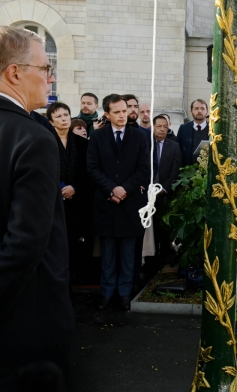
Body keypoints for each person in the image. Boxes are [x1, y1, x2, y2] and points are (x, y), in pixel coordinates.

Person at [0, 25, 74, 386]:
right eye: (45, 68)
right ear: (14, 73)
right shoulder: (34, 137)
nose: (51, 77)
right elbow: (25, 242)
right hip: (25, 321)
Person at [87, 94, 150, 311]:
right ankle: (106, 294)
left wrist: (124, 189)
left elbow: (144, 169)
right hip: (106, 203)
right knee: (108, 254)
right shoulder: (97, 137)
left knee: (128, 254)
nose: (123, 115)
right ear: (107, 114)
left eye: (124, 111)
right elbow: (92, 168)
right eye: (117, 112)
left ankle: (125, 294)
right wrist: (111, 189)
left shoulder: (139, 137)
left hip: (130, 204)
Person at [46, 102, 92, 284]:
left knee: (74, 241)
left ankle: (74, 277)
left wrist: (75, 187)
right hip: (53, 201)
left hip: (77, 200)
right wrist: (58, 189)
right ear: (51, 121)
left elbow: (88, 171)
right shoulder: (45, 141)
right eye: (58, 116)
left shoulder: (82, 143)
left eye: (66, 115)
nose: (64, 119)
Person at [152, 115, 181, 257]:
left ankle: (164, 258)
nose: (162, 129)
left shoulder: (174, 146)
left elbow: (175, 172)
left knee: (164, 231)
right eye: (159, 126)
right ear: (153, 127)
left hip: (165, 195)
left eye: (165, 127)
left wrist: (163, 189)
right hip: (146, 195)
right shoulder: (145, 144)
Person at [177, 99, 209, 167]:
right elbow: (177, 151)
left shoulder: (213, 129)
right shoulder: (183, 128)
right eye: (196, 108)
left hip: (208, 172)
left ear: (207, 112)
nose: (199, 111)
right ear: (191, 112)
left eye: (202, 108)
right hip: (187, 171)